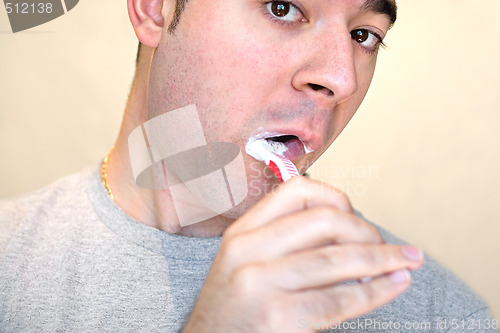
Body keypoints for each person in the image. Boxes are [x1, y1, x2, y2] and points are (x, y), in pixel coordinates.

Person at [0, 0, 497, 332]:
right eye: (283, 7)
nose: (339, 77)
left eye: (363, 35)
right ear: (155, 9)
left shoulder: (442, 317)